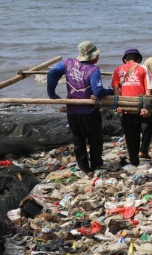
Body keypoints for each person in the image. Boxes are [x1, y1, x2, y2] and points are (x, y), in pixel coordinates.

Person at [47, 41, 113, 173]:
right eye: (96, 55)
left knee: (78, 141)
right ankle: (96, 164)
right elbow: (97, 91)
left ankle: (84, 167)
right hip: (89, 111)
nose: (98, 57)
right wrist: (110, 91)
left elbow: (52, 73)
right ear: (91, 56)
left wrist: (52, 93)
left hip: (72, 111)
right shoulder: (93, 70)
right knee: (95, 140)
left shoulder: (67, 63)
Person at [111, 48, 152, 165]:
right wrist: (147, 108)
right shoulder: (143, 68)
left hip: (126, 108)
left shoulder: (117, 70)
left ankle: (134, 161)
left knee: (131, 135)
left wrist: (118, 107)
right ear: (139, 59)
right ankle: (143, 150)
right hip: (141, 107)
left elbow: (116, 92)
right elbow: (148, 90)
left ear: (124, 60)